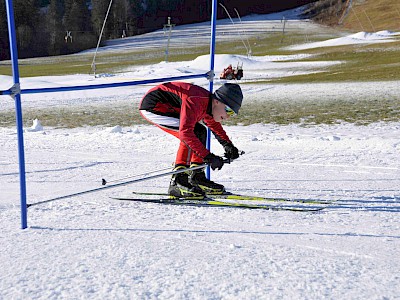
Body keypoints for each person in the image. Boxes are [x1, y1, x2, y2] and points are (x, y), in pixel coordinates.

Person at [139, 82, 243, 198]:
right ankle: (178, 181)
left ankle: (196, 177)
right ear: (217, 101)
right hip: (153, 106)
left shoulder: (209, 105)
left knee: (200, 131)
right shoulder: (197, 101)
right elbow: (185, 133)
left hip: (170, 107)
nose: (228, 116)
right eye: (228, 110)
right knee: (190, 133)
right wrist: (208, 157)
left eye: (232, 114)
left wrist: (228, 145)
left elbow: (214, 125)